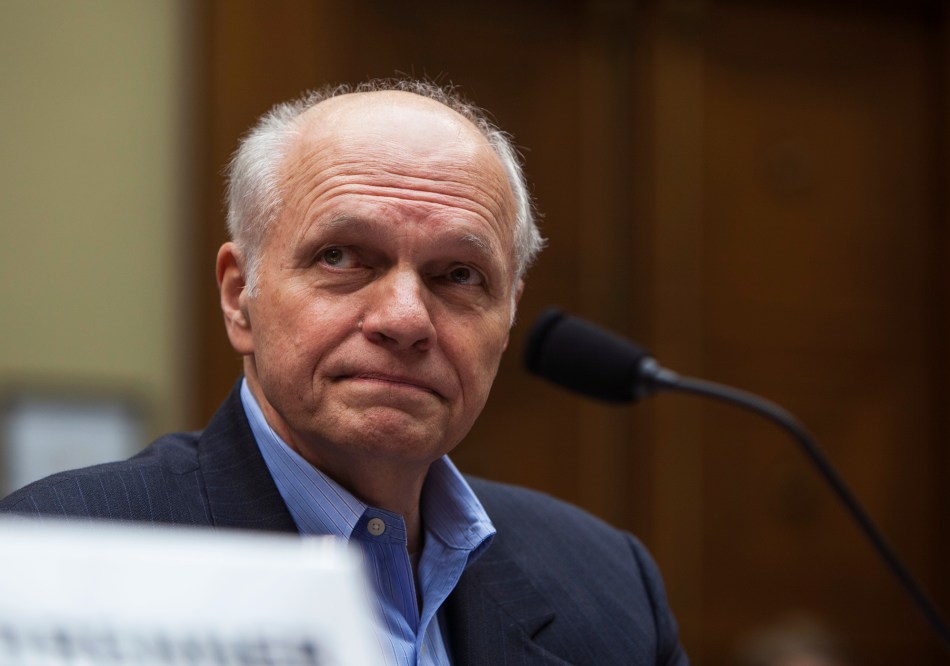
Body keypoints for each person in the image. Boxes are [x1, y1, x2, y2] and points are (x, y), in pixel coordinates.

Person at [0, 80, 688, 665]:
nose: (405, 318)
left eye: (458, 274)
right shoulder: (51, 554)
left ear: (506, 319)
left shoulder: (609, 584)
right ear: (241, 296)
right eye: (342, 257)